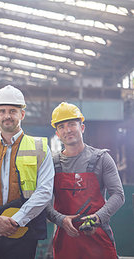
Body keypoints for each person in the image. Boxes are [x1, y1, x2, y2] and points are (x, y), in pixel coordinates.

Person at [0, 85, 54, 259]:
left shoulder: (40, 148)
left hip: (24, 231)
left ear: (22, 114)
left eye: (13, 111)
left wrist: (16, 220)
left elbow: (45, 191)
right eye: (3, 110)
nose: (7, 116)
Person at [46, 102, 125, 259]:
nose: (67, 130)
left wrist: (97, 218)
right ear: (57, 133)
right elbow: (42, 202)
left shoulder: (101, 159)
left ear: (82, 127)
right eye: (61, 126)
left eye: (72, 124)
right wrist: (60, 219)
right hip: (66, 242)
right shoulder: (51, 165)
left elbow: (118, 195)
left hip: (99, 239)